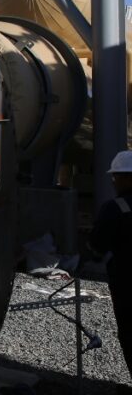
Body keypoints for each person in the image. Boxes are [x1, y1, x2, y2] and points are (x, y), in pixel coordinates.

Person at [91, 150, 132, 383]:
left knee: (129, 333)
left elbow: (96, 248)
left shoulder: (115, 208)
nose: (114, 182)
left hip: (127, 285)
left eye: (116, 178)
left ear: (126, 178)